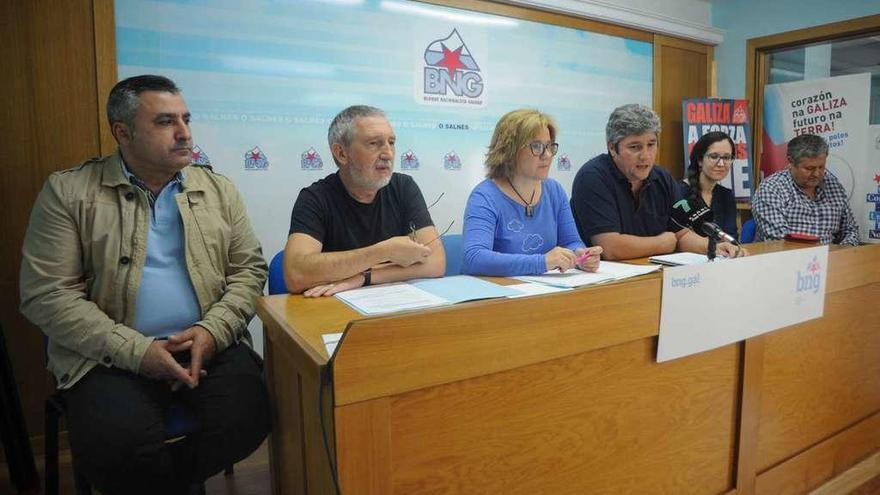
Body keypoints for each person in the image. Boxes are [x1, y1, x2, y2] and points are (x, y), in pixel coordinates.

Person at [19, 75, 270, 494]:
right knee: (119, 445)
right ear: (123, 132)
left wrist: (212, 331)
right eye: (166, 122)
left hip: (205, 344)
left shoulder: (218, 189)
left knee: (250, 417)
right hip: (108, 354)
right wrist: (139, 352)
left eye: (186, 119)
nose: (185, 133)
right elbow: (47, 294)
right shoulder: (69, 192)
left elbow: (249, 270)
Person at [285, 105, 445, 296]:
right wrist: (383, 252)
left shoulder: (403, 187)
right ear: (341, 153)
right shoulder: (315, 197)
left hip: (395, 305)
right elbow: (295, 274)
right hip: (333, 311)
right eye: (374, 143)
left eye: (391, 142)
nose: (388, 154)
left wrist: (364, 277)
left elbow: (436, 262)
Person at [570, 103, 745, 260]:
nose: (645, 155)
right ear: (612, 147)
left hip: (652, 274)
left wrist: (712, 247)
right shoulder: (592, 177)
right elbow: (609, 247)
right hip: (602, 281)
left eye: (651, 144)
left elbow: (682, 234)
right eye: (635, 147)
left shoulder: (662, 178)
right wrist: (661, 243)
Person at [462, 109, 602, 276]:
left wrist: (579, 256)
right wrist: (541, 262)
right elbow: (474, 258)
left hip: (542, 293)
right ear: (509, 150)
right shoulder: (485, 197)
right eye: (537, 146)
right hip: (498, 294)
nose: (548, 155)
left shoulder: (554, 191)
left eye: (550, 146)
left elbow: (571, 241)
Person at [753, 133, 859, 245]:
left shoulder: (833, 185)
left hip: (831, 258)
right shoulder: (771, 189)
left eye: (821, 167)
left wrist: (843, 251)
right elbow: (780, 242)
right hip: (789, 258)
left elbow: (851, 230)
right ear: (791, 162)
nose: (817, 174)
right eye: (810, 168)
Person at [680, 131, 739, 240]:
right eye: (714, 156)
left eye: (726, 158)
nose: (721, 164)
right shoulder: (677, 192)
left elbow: (731, 237)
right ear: (700, 160)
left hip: (721, 255)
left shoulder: (726, 195)